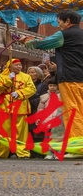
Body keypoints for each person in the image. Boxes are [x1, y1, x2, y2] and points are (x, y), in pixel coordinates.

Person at [29, 10, 83, 149]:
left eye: (59, 22)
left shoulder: (64, 34)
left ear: (68, 21)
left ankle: (77, 146)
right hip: (80, 77)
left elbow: (44, 43)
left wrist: (28, 41)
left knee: (73, 112)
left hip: (69, 78)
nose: (58, 25)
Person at [0, 58, 35, 158]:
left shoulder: (26, 76)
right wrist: (8, 79)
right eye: (16, 65)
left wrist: (19, 93)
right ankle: (2, 153)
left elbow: (32, 89)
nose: (19, 67)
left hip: (21, 106)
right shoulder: (2, 76)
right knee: (3, 131)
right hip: (5, 105)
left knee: (21, 132)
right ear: (10, 66)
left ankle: (23, 153)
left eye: (20, 65)